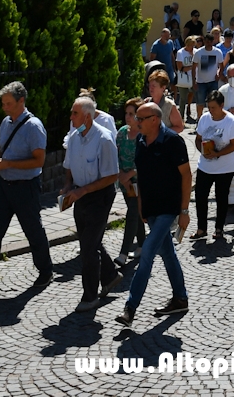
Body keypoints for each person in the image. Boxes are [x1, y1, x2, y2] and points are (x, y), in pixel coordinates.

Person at [0, 82, 52, 295]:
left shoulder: (34, 126)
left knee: (33, 231)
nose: (4, 107)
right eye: (3, 103)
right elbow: (3, 150)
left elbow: (38, 160)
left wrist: (8, 164)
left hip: (26, 187)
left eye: (8, 103)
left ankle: (46, 270)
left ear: (21, 101)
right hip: (5, 186)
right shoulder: (5, 123)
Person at [116, 102, 191, 327]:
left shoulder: (173, 142)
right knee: (168, 253)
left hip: (169, 208)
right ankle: (180, 298)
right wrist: (140, 204)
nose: (136, 122)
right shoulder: (140, 140)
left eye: (140, 118)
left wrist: (184, 211)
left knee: (147, 253)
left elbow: (186, 176)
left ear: (155, 120)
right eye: (136, 118)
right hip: (150, 208)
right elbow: (143, 174)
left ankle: (130, 308)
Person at [60, 95, 120, 312]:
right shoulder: (74, 137)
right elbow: (69, 164)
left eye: (74, 113)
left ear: (87, 117)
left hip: (99, 196)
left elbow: (112, 175)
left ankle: (90, 295)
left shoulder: (104, 139)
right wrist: (68, 185)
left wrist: (83, 190)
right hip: (80, 194)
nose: (71, 117)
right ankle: (110, 275)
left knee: (88, 248)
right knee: (89, 241)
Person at [192, 90, 234, 241]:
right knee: (200, 197)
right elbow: (198, 138)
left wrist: (218, 154)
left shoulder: (231, 121)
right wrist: (202, 150)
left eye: (213, 107)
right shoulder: (205, 118)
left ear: (222, 105)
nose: (210, 111)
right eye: (209, 107)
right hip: (205, 166)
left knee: (221, 198)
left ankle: (219, 228)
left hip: (224, 168)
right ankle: (201, 228)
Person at [115, 99, 145, 267]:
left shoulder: (143, 135)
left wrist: (130, 174)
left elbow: (145, 161)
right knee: (137, 214)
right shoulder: (121, 133)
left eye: (132, 114)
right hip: (124, 182)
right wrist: (122, 176)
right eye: (126, 113)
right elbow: (115, 156)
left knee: (132, 214)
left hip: (140, 182)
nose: (128, 117)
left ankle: (123, 253)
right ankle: (142, 244)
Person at [192, 33, 222, 117]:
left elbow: (221, 66)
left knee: (213, 102)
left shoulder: (217, 52)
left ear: (213, 41)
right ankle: (199, 119)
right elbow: (193, 68)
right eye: (207, 41)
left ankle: (213, 117)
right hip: (201, 82)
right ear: (204, 41)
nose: (208, 43)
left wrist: (218, 74)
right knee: (200, 103)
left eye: (210, 41)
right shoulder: (198, 53)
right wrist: (193, 81)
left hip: (213, 81)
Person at [175, 36, 196, 122]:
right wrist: (192, 66)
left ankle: (189, 109)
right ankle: (181, 117)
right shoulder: (180, 53)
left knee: (192, 94)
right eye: (191, 45)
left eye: (193, 45)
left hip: (194, 78)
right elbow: (180, 68)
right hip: (184, 79)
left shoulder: (195, 52)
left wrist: (194, 56)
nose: (192, 47)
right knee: (183, 98)